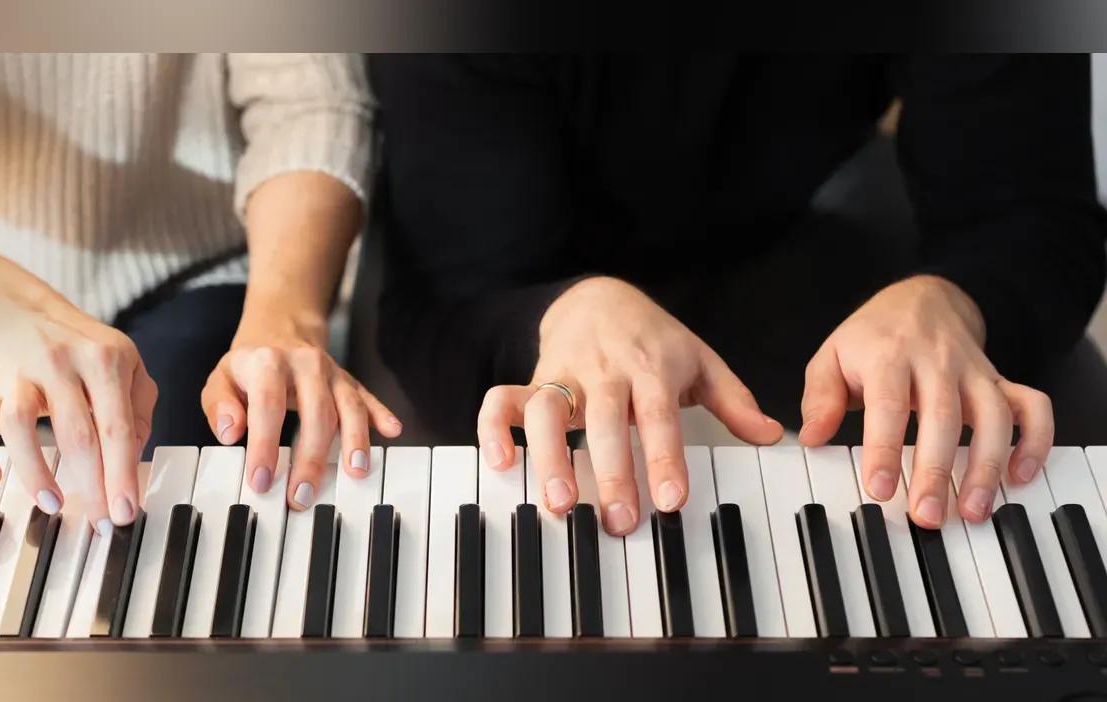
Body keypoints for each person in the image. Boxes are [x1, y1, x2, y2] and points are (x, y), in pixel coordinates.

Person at [367, 54, 1106, 534]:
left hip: (783, 231)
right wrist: (558, 312)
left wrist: (951, 299)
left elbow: (1036, 206)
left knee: (1034, 432)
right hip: (517, 277)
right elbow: (453, 280)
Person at [0, 53, 399, 534]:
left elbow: (308, 103)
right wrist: (17, 319)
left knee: (206, 533)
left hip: (185, 272)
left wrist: (285, 321)